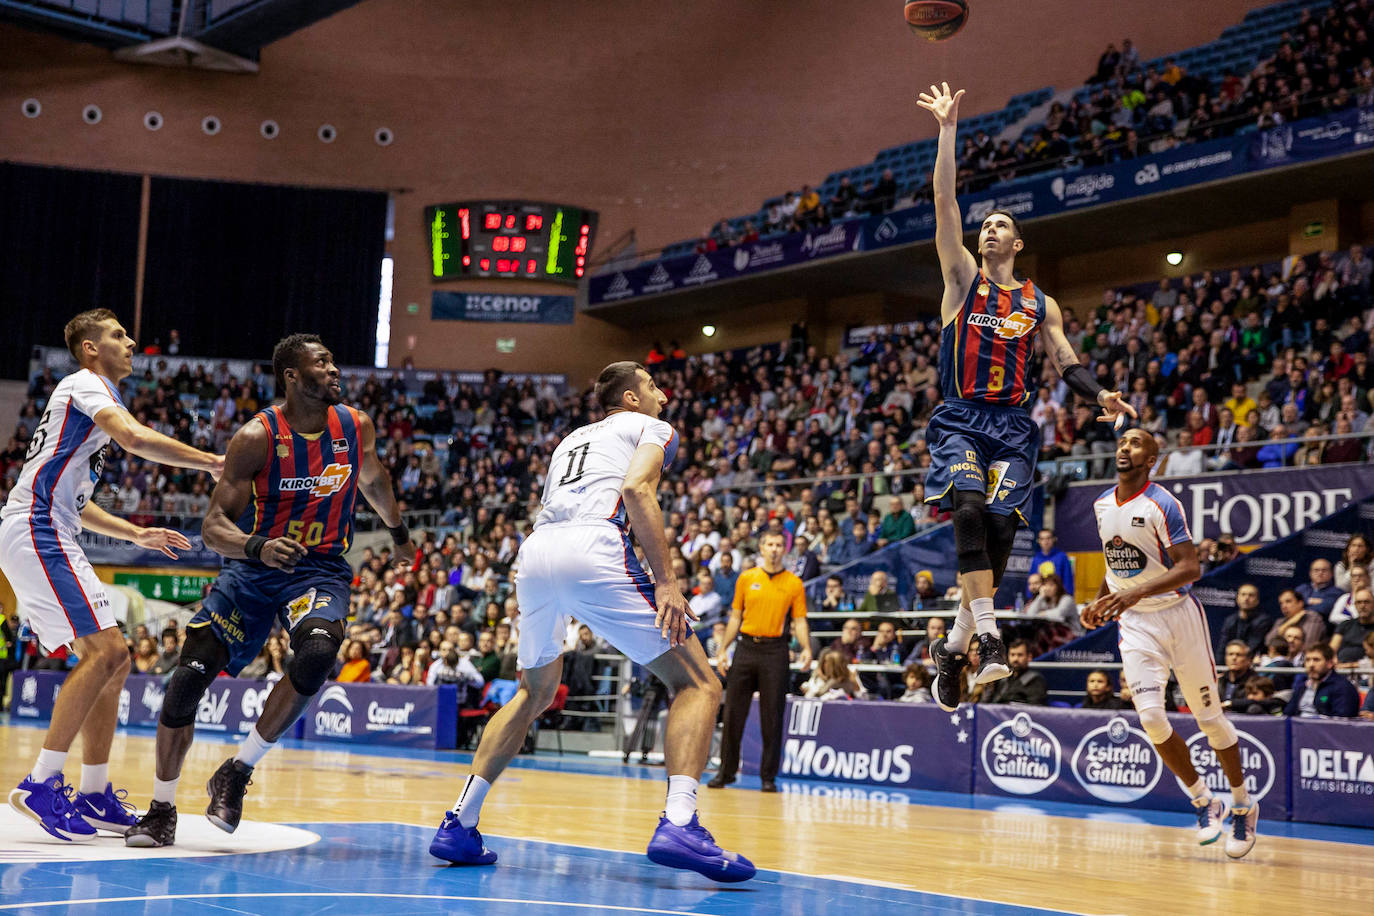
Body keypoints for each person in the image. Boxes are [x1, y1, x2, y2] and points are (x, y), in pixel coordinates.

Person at [429, 362, 754, 882]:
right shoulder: (652, 427)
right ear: (629, 398)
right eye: (652, 387)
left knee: (532, 693)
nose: (664, 396)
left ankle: (459, 824)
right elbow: (636, 489)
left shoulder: (570, 440)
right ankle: (680, 821)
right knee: (699, 683)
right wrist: (667, 582)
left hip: (535, 554)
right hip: (593, 546)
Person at [124, 334, 408, 848]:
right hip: (252, 572)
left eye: (331, 358)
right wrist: (257, 547)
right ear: (293, 376)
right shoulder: (256, 437)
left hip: (318, 568)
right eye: (321, 362)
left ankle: (236, 771)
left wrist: (400, 534)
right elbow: (213, 528)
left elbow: (375, 480)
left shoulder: (353, 425)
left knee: (319, 651)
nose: (333, 367)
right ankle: (161, 808)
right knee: (186, 683)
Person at [917, 83, 1134, 712]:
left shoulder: (1041, 303)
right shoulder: (961, 282)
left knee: (998, 537)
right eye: (983, 226)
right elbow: (943, 203)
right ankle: (988, 640)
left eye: (999, 226)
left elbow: (1065, 359)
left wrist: (1101, 397)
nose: (987, 231)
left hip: (1013, 425)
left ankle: (953, 644)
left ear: (1017, 243)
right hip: (961, 417)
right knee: (964, 510)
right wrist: (948, 131)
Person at [3, 309, 222, 842]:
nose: (130, 343)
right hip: (35, 528)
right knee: (105, 654)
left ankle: (96, 791)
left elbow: (78, 503)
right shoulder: (85, 384)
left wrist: (135, 534)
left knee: (116, 661)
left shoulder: (91, 405)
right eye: (118, 336)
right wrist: (214, 463)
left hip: (52, 527)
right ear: (89, 349)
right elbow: (137, 439)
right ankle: (41, 782)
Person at [1082, 428, 1258, 859]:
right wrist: (1101, 600)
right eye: (1123, 442)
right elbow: (1116, 566)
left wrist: (1133, 592)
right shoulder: (1102, 503)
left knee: (1210, 720)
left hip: (1179, 617)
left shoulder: (1163, 503)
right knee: (1152, 719)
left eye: (1137, 443)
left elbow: (1190, 567)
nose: (1126, 447)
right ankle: (1204, 800)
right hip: (1136, 623)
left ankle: (1241, 804)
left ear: (1152, 459)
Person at [710, 530, 812, 795]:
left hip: (775, 650)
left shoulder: (793, 583)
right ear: (762, 548)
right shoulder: (747, 578)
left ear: (784, 550)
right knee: (732, 713)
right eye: (770, 544)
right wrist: (723, 649)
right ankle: (726, 771)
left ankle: (768, 777)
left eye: (779, 544)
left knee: (772, 716)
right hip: (745, 647)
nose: (774, 548)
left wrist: (806, 648)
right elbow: (735, 616)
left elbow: (799, 620)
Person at [1284, 643, 1360, 718]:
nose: (1311, 665)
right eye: (1307, 660)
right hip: (1298, 728)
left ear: (1329, 663)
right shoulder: (1302, 686)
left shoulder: (1343, 688)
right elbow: (1288, 713)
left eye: (1316, 660)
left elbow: (1342, 722)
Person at [977, 640, 1047, 705]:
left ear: (1029, 657)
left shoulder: (1035, 680)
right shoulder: (1003, 678)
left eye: (1020, 655)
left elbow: (1036, 709)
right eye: (1012, 655)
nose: (1015, 659)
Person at [1216, 583, 1273, 658]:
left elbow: (1253, 647)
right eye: (1243, 594)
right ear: (1237, 598)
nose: (1246, 598)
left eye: (1251, 595)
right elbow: (1222, 647)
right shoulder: (1230, 620)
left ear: (1257, 600)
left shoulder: (1264, 621)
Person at [801, 648, 866, 700]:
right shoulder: (827, 679)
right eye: (824, 662)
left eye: (828, 663)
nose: (825, 665)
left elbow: (863, 698)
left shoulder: (850, 677)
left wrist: (855, 684)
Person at [1029, 529, 1075, 596]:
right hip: (1040, 598)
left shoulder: (1062, 557)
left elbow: (1068, 580)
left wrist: (1067, 597)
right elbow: (1031, 581)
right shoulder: (1036, 558)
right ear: (1039, 541)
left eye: (1048, 538)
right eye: (1042, 539)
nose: (1046, 541)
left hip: (1058, 598)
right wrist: (1031, 599)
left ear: (1054, 539)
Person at [1217, 641, 1255, 709]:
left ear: (1248, 660)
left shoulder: (1257, 682)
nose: (1234, 658)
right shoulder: (1219, 681)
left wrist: (1230, 704)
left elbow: (1259, 701)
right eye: (1230, 654)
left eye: (1239, 655)